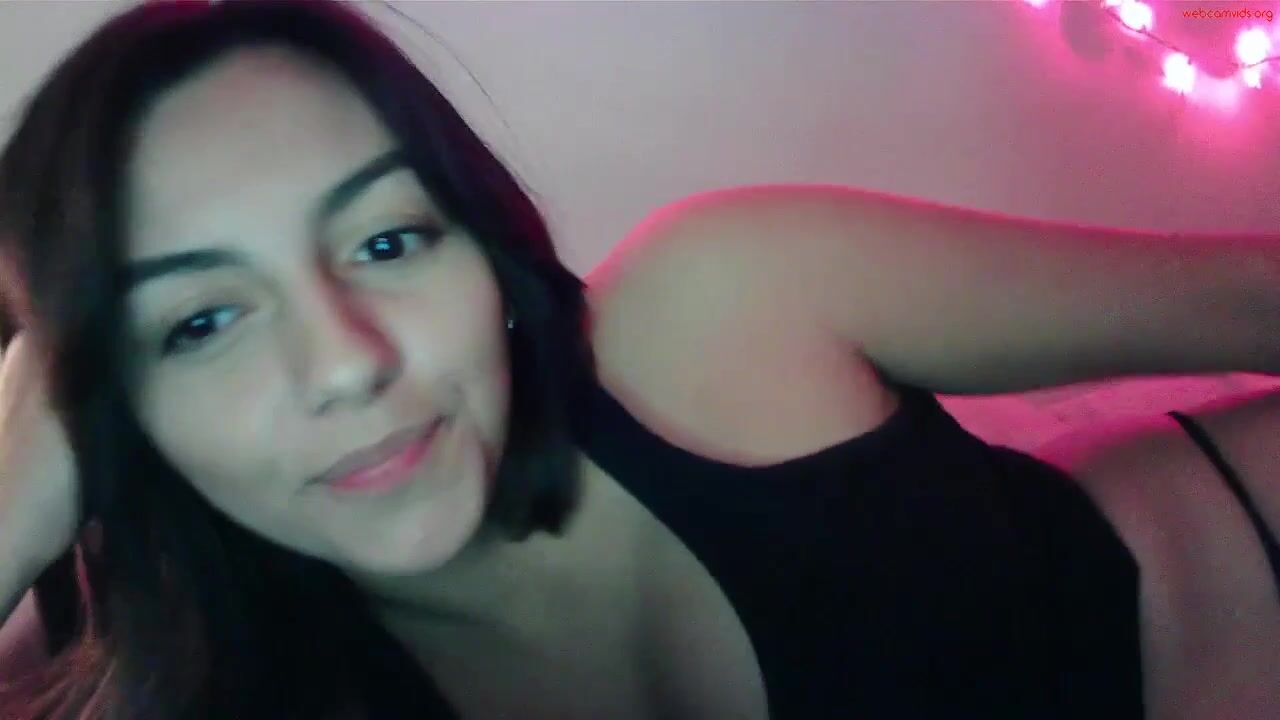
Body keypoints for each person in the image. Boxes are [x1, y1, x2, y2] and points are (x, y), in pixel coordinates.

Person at [0, 0, 1276, 718]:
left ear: (484, 255)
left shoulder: (715, 302)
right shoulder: (244, 689)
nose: (345, 363)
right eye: (199, 322)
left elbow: (1252, 299)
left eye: (388, 241)